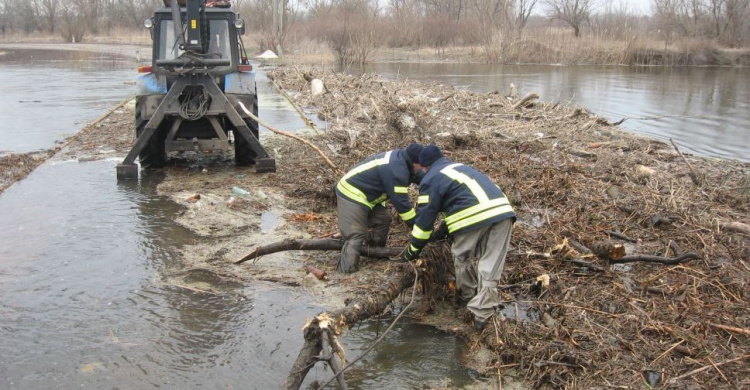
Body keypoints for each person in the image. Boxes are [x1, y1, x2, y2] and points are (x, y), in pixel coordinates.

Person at [402, 145, 516, 330]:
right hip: (503, 212)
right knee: (491, 265)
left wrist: (413, 249)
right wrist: (440, 234)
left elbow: (424, 220)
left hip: (472, 217)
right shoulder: (461, 168)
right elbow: (463, 199)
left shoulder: (430, 178)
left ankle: (466, 299)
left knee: (461, 257)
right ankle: (482, 315)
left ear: (424, 167)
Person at [336, 143, 424, 273]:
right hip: (351, 192)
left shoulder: (404, 161)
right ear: (415, 163)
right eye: (422, 165)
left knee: (383, 219)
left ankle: (375, 252)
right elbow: (402, 206)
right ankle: (345, 272)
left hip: (370, 196)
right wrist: (418, 229)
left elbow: (421, 177)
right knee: (355, 235)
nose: (422, 168)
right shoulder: (397, 171)